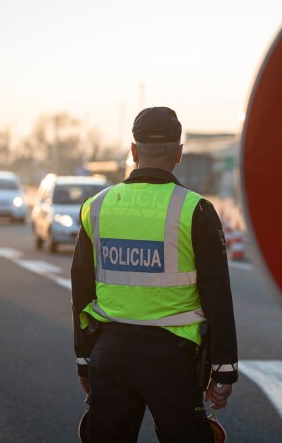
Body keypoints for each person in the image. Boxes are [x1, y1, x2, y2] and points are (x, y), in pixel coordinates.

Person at [71, 106, 238, 442]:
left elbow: (81, 290)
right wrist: (224, 370)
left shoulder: (97, 206)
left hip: (110, 353)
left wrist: (84, 359)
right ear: (179, 154)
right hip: (173, 361)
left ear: (134, 152)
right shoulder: (196, 210)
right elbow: (216, 294)